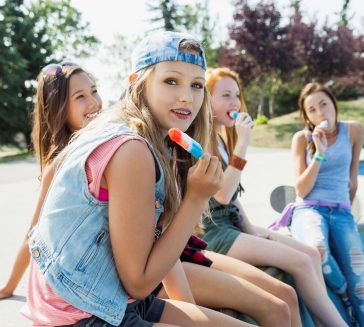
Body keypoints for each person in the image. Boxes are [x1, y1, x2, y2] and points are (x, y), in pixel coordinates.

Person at [22, 31, 253, 326]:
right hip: (82, 313)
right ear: (137, 84)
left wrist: (195, 316)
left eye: (196, 85)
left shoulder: (148, 138)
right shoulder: (131, 150)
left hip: (110, 299)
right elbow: (139, 282)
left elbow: (152, 247)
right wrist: (196, 197)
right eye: (171, 81)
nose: (187, 96)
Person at [199, 67, 348, 327]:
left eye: (236, 95)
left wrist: (251, 230)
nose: (234, 102)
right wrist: (243, 144)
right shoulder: (201, 139)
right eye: (225, 95)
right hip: (212, 232)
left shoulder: (222, 140)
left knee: (311, 255)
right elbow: (222, 195)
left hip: (231, 224)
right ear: (206, 100)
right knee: (299, 262)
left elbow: (234, 198)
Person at [0, 62, 102, 300]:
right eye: (80, 97)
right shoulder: (60, 165)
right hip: (96, 284)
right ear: (58, 109)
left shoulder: (108, 143)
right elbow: (34, 233)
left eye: (94, 91)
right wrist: (8, 286)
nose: (94, 102)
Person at [290, 82, 364, 325]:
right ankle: (342, 294)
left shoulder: (353, 130)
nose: (320, 112)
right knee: (317, 247)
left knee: (360, 280)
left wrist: (347, 216)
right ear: (307, 116)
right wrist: (319, 153)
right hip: (310, 208)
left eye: (323, 104)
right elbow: (301, 189)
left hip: (341, 210)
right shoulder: (302, 139)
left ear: (334, 104)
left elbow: (352, 180)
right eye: (312, 109)